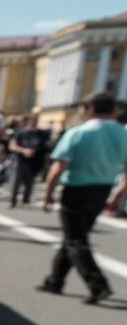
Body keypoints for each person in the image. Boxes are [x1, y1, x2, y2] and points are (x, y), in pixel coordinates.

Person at [37, 91, 127, 304]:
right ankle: (55, 280)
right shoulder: (123, 134)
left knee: (76, 240)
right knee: (74, 237)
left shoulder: (78, 133)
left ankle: (98, 284)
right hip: (103, 189)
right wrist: (117, 194)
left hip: (76, 190)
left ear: (90, 109)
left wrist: (48, 194)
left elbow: (58, 167)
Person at [8, 112, 50, 208]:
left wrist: (40, 149)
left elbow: (47, 146)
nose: (33, 121)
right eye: (31, 119)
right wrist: (23, 150)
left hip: (35, 160)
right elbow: (12, 145)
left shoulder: (42, 133)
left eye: (35, 119)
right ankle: (12, 201)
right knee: (16, 180)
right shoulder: (20, 132)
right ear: (27, 120)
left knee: (29, 181)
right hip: (21, 159)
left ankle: (25, 200)